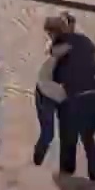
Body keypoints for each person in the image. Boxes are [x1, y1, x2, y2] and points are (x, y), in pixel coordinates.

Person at [52, 17, 95, 182]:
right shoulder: (85, 42)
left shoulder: (59, 47)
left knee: (68, 133)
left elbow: (57, 77)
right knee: (87, 137)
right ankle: (94, 177)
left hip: (80, 100)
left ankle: (67, 172)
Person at [32, 15, 71, 167]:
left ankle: (65, 167)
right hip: (47, 95)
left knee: (66, 133)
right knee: (48, 134)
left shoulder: (62, 46)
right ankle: (36, 163)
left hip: (57, 95)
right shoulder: (58, 49)